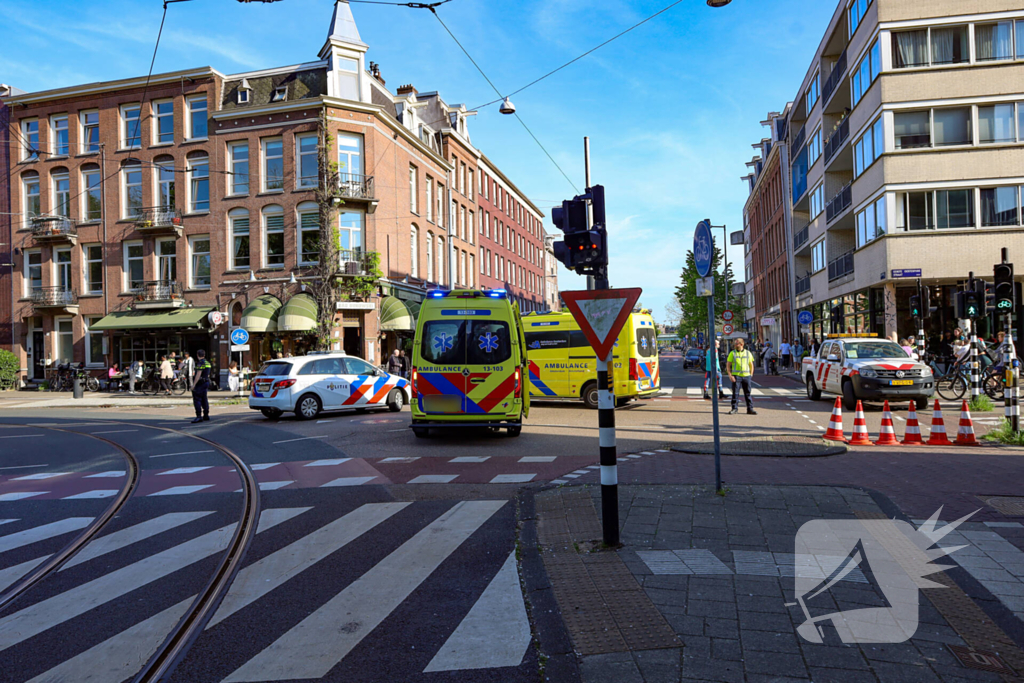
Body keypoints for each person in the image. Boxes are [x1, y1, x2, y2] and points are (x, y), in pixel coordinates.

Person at [727, 339, 757, 415]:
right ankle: (734, 409)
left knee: (748, 393)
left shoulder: (748, 353)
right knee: (735, 393)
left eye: (737, 344)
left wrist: (751, 374)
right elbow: (728, 365)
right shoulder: (732, 353)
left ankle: (750, 409)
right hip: (736, 376)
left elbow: (751, 364)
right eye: (735, 344)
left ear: (741, 344)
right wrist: (730, 375)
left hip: (746, 376)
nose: (735, 345)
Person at [191, 349, 212, 423]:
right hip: (206, 382)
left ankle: (199, 416)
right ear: (204, 355)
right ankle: (206, 414)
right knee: (204, 398)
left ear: (197, 355)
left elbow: (198, 374)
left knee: (197, 399)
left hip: (200, 383)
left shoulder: (200, 363)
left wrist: (194, 384)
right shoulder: (207, 363)